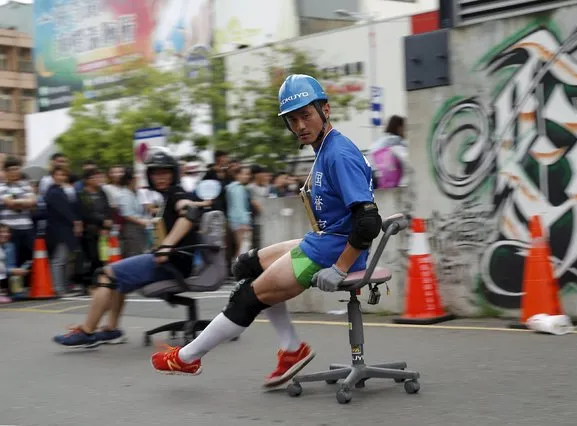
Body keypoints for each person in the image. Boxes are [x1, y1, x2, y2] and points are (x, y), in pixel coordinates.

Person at [151, 74, 382, 388]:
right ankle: (291, 349)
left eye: (306, 115)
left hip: (334, 252)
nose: (299, 125)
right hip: (324, 242)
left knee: (247, 297)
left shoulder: (338, 154)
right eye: (292, 119)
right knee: (246, 265)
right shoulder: (325, 148)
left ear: (325, 110)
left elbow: (368, 221)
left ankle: (188, 358)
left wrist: (340, 268)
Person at [52, 150, 204, 347]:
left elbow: (189, 213)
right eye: (156, 173)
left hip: (172, 263)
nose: (160, 177)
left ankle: (88, 332)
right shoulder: (166, 197)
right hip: (173, 260)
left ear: (173, 173)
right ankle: (112, 330)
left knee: (104, 275)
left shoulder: (177, 194)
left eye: (165, 172)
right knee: (117, 277)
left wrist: (166, 247)